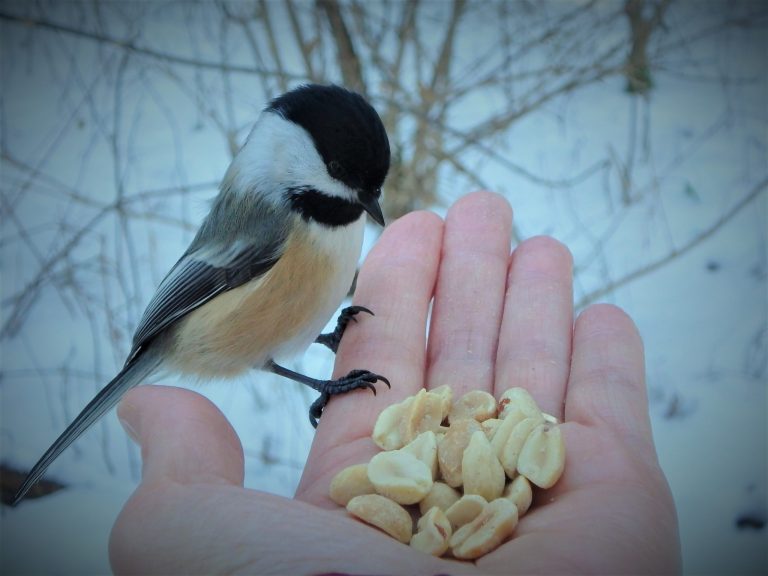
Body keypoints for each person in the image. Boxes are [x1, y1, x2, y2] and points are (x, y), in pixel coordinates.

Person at [109, 192, 681, 575]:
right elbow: (228, 312)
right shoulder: (268, 211)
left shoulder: (326, 217)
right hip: (206, 324)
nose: (367, 204)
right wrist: (325, 384)